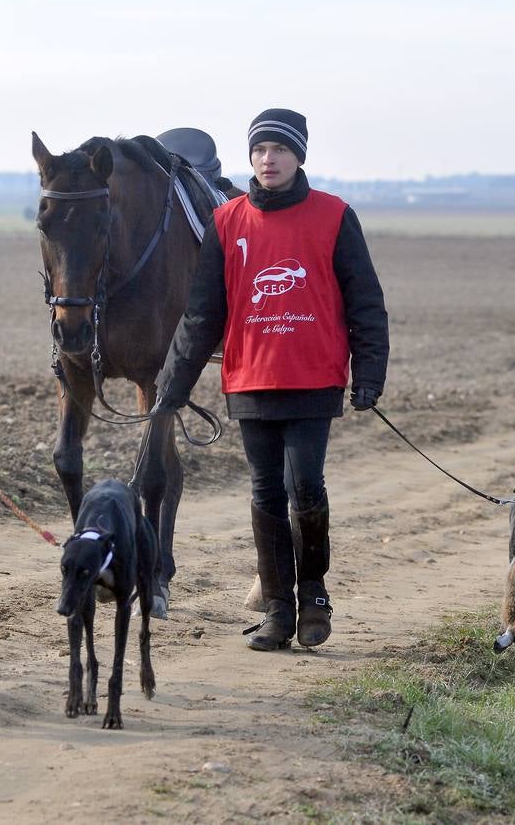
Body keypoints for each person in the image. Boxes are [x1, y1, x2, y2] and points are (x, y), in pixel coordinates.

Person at [153, 108, 388, 651]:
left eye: (279, 150)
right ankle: (279, 611)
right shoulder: (228, 221)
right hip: (251, 380)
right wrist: (175, 382)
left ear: (298, 156)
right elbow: (202, 314)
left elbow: (365, 302)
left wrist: (369, 373)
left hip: (314, 378)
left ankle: (315, 596)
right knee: (264, 494)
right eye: (259, 150)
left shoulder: (334, 216)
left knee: (304, 485)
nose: (267, 159)